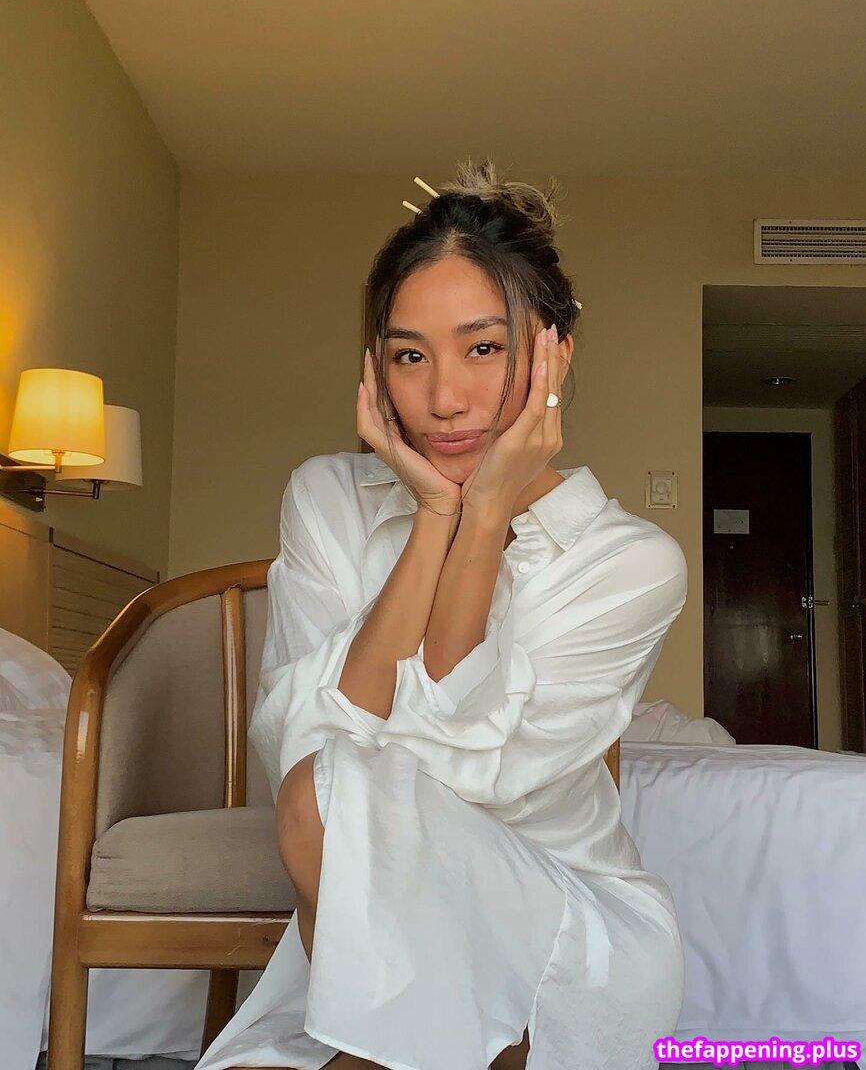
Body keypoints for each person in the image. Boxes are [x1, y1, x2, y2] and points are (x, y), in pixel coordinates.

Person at [195, 159, 688, 1070]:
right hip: (368, 933)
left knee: (332, 795)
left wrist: (487, 512)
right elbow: (310, 753)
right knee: (325, 789)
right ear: (376, 368)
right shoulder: (327, 499)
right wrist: (435, 515)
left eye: (483, 349)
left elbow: (460, 779)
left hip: (564, 938)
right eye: (410, 355)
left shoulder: (628, 563)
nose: (444, 398)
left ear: (555, 354)